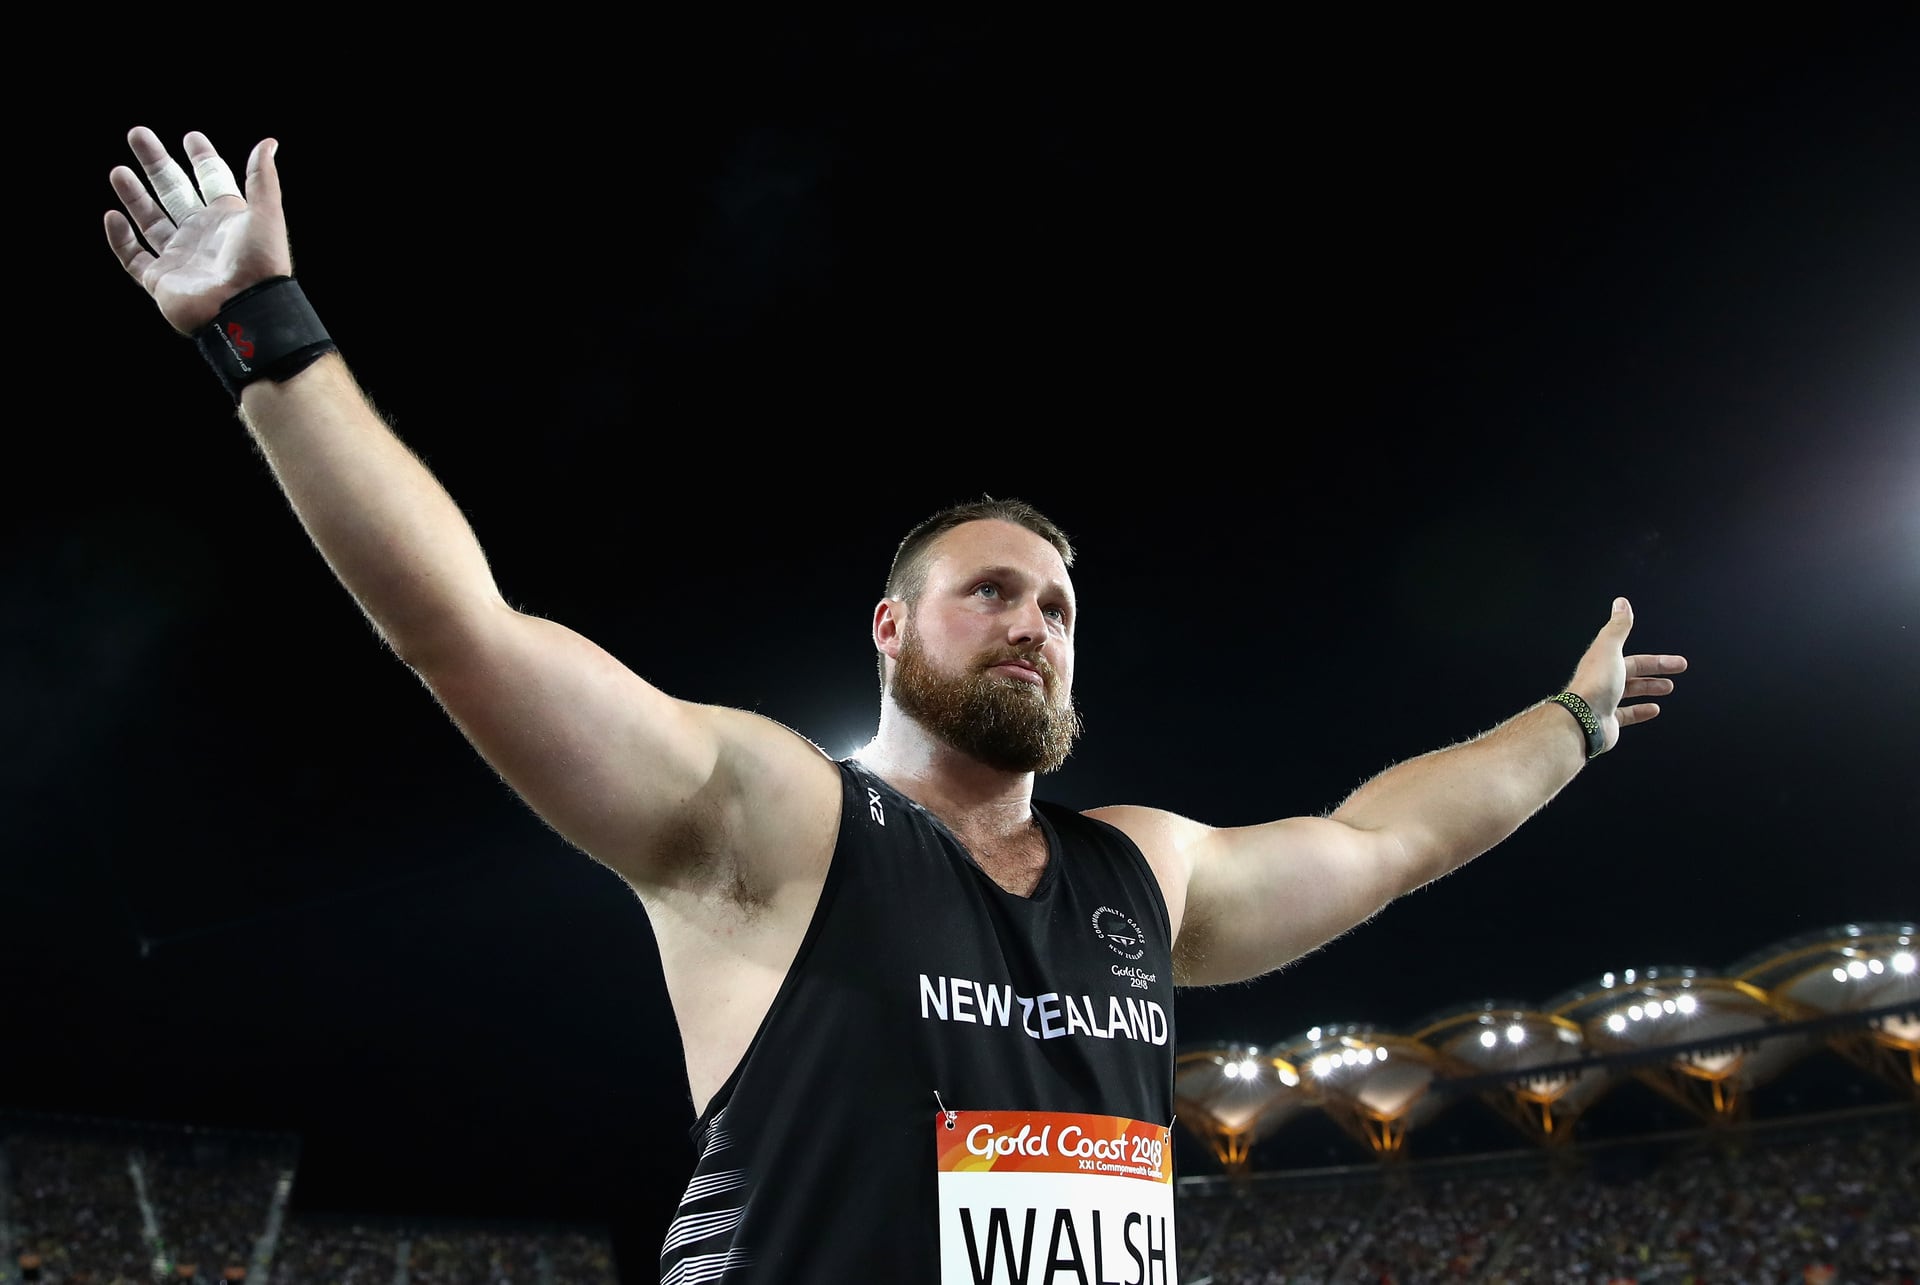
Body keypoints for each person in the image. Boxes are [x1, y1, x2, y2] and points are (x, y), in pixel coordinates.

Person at [102, 125, 1687, 1285]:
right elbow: (459, 628)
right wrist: (267, 335)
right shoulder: (774, 814)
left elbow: (1383, 838)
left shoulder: (1148, 871)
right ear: (887, 629)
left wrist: (1574, 723)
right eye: (990, 591)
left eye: (1058, 607)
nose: (1033, 625)